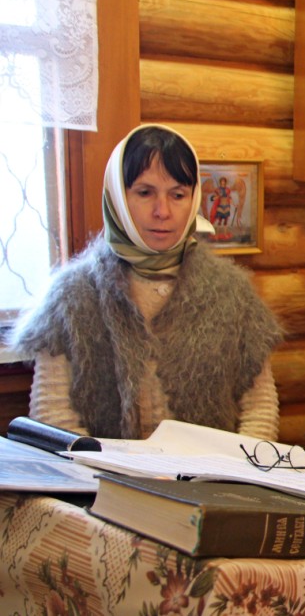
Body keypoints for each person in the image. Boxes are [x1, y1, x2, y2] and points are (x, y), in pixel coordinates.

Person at [8, 124, 283, 440]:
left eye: (177, 195)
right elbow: (53, 415)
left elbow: (259, 411)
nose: (162, 211)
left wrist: (235, 468)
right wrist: (99, 470)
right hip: (98, 471)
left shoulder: (231, 292)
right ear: (117, 196)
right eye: (144, 192)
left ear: (194, 198)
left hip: (213, 471)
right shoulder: (72, 295)